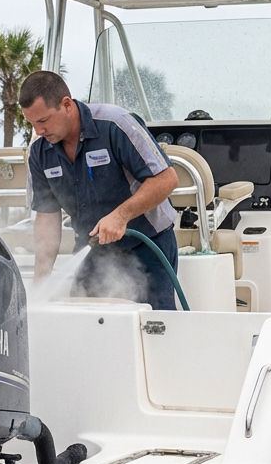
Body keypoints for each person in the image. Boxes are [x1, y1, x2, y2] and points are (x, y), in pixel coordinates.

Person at [19, 71, 181, 310]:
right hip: (92, 250)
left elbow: (167, 179)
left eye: (43, 121)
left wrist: (120, 216)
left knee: (154, 328)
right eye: (32, 124)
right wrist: (40, 285)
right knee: (87, 328)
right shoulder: (40, 152)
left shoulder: (115, 124)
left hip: (147, 244)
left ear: (66, 105)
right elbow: (46, 219)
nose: (39, 131)